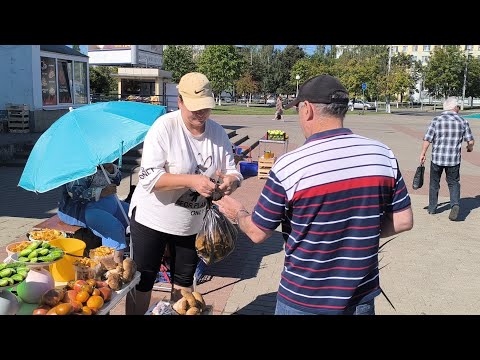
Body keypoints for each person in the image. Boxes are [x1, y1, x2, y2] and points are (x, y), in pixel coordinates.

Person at [215, 74, 414, 315]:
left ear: (307, 109)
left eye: (297, 109)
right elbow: (403, 220)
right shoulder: (382, 154)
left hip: (305, 299)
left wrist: (238, 213)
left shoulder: (291, 166)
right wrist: (356, 234)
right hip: (361, 296)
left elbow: (257, 233)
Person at [125, 72, 243, 315]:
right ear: (179, 101)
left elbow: (233, 171)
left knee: (184, 285)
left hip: (191, 224)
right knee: (143, 281)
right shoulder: (164, 127)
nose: (201, 115)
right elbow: (149, 178)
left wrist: (231, 182)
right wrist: (192, 180)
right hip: (152, 220)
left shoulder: (218, 133)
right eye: (195, 108)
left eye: (206, 109)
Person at [57, 163, 129, 262]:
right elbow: (75, 194)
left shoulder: (101, 159)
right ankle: (113, 264)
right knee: (113, 228)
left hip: (109, 203)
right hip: (82, 210)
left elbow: (117, 180)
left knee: (135, 215)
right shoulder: (77, 167)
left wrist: (111, 169)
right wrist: (101, 192)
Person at [419, 96, 475, 220]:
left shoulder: (436, 120)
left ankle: (432, 208)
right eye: (458, 107)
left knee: (434, 183)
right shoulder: (463, 121)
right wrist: (469, 148)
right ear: (455, 108)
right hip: (453, 160)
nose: (459, 109)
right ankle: (454, 204)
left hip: (437, 159)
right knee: (453, 183)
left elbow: (427, 139)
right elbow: (470, 141)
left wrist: (423, 153)